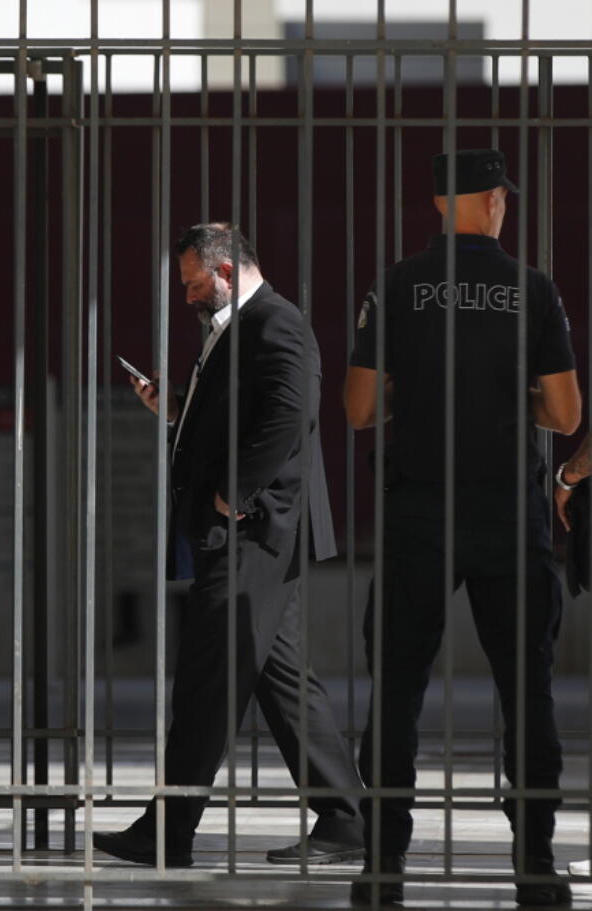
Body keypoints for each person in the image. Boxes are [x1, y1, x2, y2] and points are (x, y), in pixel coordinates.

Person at [344, 149, 580, 907]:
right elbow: (568, 414)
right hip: (508, 513)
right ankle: (535, 858)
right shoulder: (532, 289)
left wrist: (409, 405)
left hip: (419, 512)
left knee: (398, 691)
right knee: (527, 689)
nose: (506, 205)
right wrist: (520, 410)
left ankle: (383, 859)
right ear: (483, 201)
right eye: (501, 195)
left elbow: (358, 408)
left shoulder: (397, 286)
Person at [95, 223, 365, 870]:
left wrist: (235, 492)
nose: (187, 296)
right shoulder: (242, 326)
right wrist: (176, 408)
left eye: (193, 283)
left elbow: (290, 411)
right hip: (255, 528)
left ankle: (168, 830)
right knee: (284, 682)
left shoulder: (278, 322)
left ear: (224, 271)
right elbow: (241, 412)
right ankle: (348, 816)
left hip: (253, 529)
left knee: (206, 679)